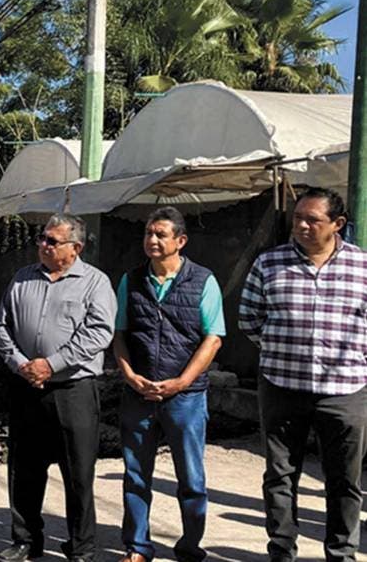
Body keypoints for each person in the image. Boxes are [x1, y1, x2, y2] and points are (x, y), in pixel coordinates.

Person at [239, 187, 367, 562]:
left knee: (344, 480)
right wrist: (283, 350)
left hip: (345, 392)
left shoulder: (361, 267)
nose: (302, 226)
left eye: (313, 219)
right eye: (298, 218)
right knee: (280, 476)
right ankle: (282, 552)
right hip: (282, 386)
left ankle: (341, 554)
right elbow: (249, 317)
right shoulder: (269, 263)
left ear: (337, 224)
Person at [0, 214, 116, 562]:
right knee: (24, 470)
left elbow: (98, 333)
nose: (43, 245)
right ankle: (25, 540)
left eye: (52, 241)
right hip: (27, 388)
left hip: (72, 390)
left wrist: (52, 364)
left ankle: (81, 548)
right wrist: (22, 364)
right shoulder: (22, 278)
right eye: (42, 238)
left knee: (78, 473)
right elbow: (2, 327)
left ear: (76, 248)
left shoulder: (95, 282)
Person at [111, 207, 224, 562]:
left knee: (191, 478)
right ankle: (137, 546)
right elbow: (120, 334)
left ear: (181, 240)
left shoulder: (203, 281)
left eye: (161, 234)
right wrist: (129, 375)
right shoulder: (131, 280)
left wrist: (182, 382)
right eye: (148, 233)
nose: (153, 240)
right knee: (135, 474)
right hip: (139, 394)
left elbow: (213, 338)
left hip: (185, 398)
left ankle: (190, 546)